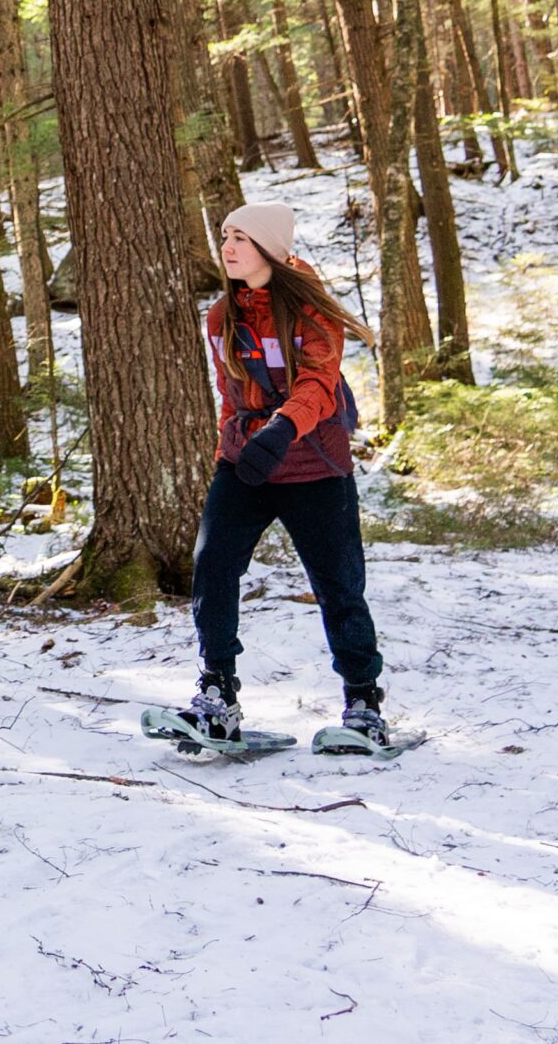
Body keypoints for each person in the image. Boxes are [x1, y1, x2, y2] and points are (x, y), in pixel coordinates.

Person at [180, 203, 393, 748]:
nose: (227, 247)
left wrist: (279, 431)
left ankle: (363, 700)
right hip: (244, 463)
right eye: (225, 236)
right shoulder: (220, 316)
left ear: (270, 248)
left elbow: (320, 386)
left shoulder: (311, 310)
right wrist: (229, 449)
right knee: (212, 568)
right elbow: (231, 392)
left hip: (313, 465)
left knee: (339, 586)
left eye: (241, 238)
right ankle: (217, 693)